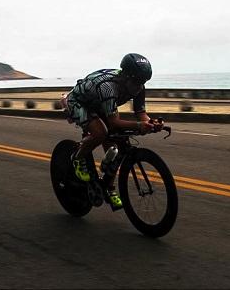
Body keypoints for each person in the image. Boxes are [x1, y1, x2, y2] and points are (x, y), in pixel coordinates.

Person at [61, 53, 163, 209]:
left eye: (143, 82)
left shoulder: (138, 85)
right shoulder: (108, 87)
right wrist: (139, 127)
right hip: (79, 102)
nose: (139, 87)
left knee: (115, 147)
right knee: (100, 133)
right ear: (125, 77)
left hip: (100, 104)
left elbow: (140, 112)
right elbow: (114, 121)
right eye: (136, 82)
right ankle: (78, 158)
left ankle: (108, 187)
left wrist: (151, 123)